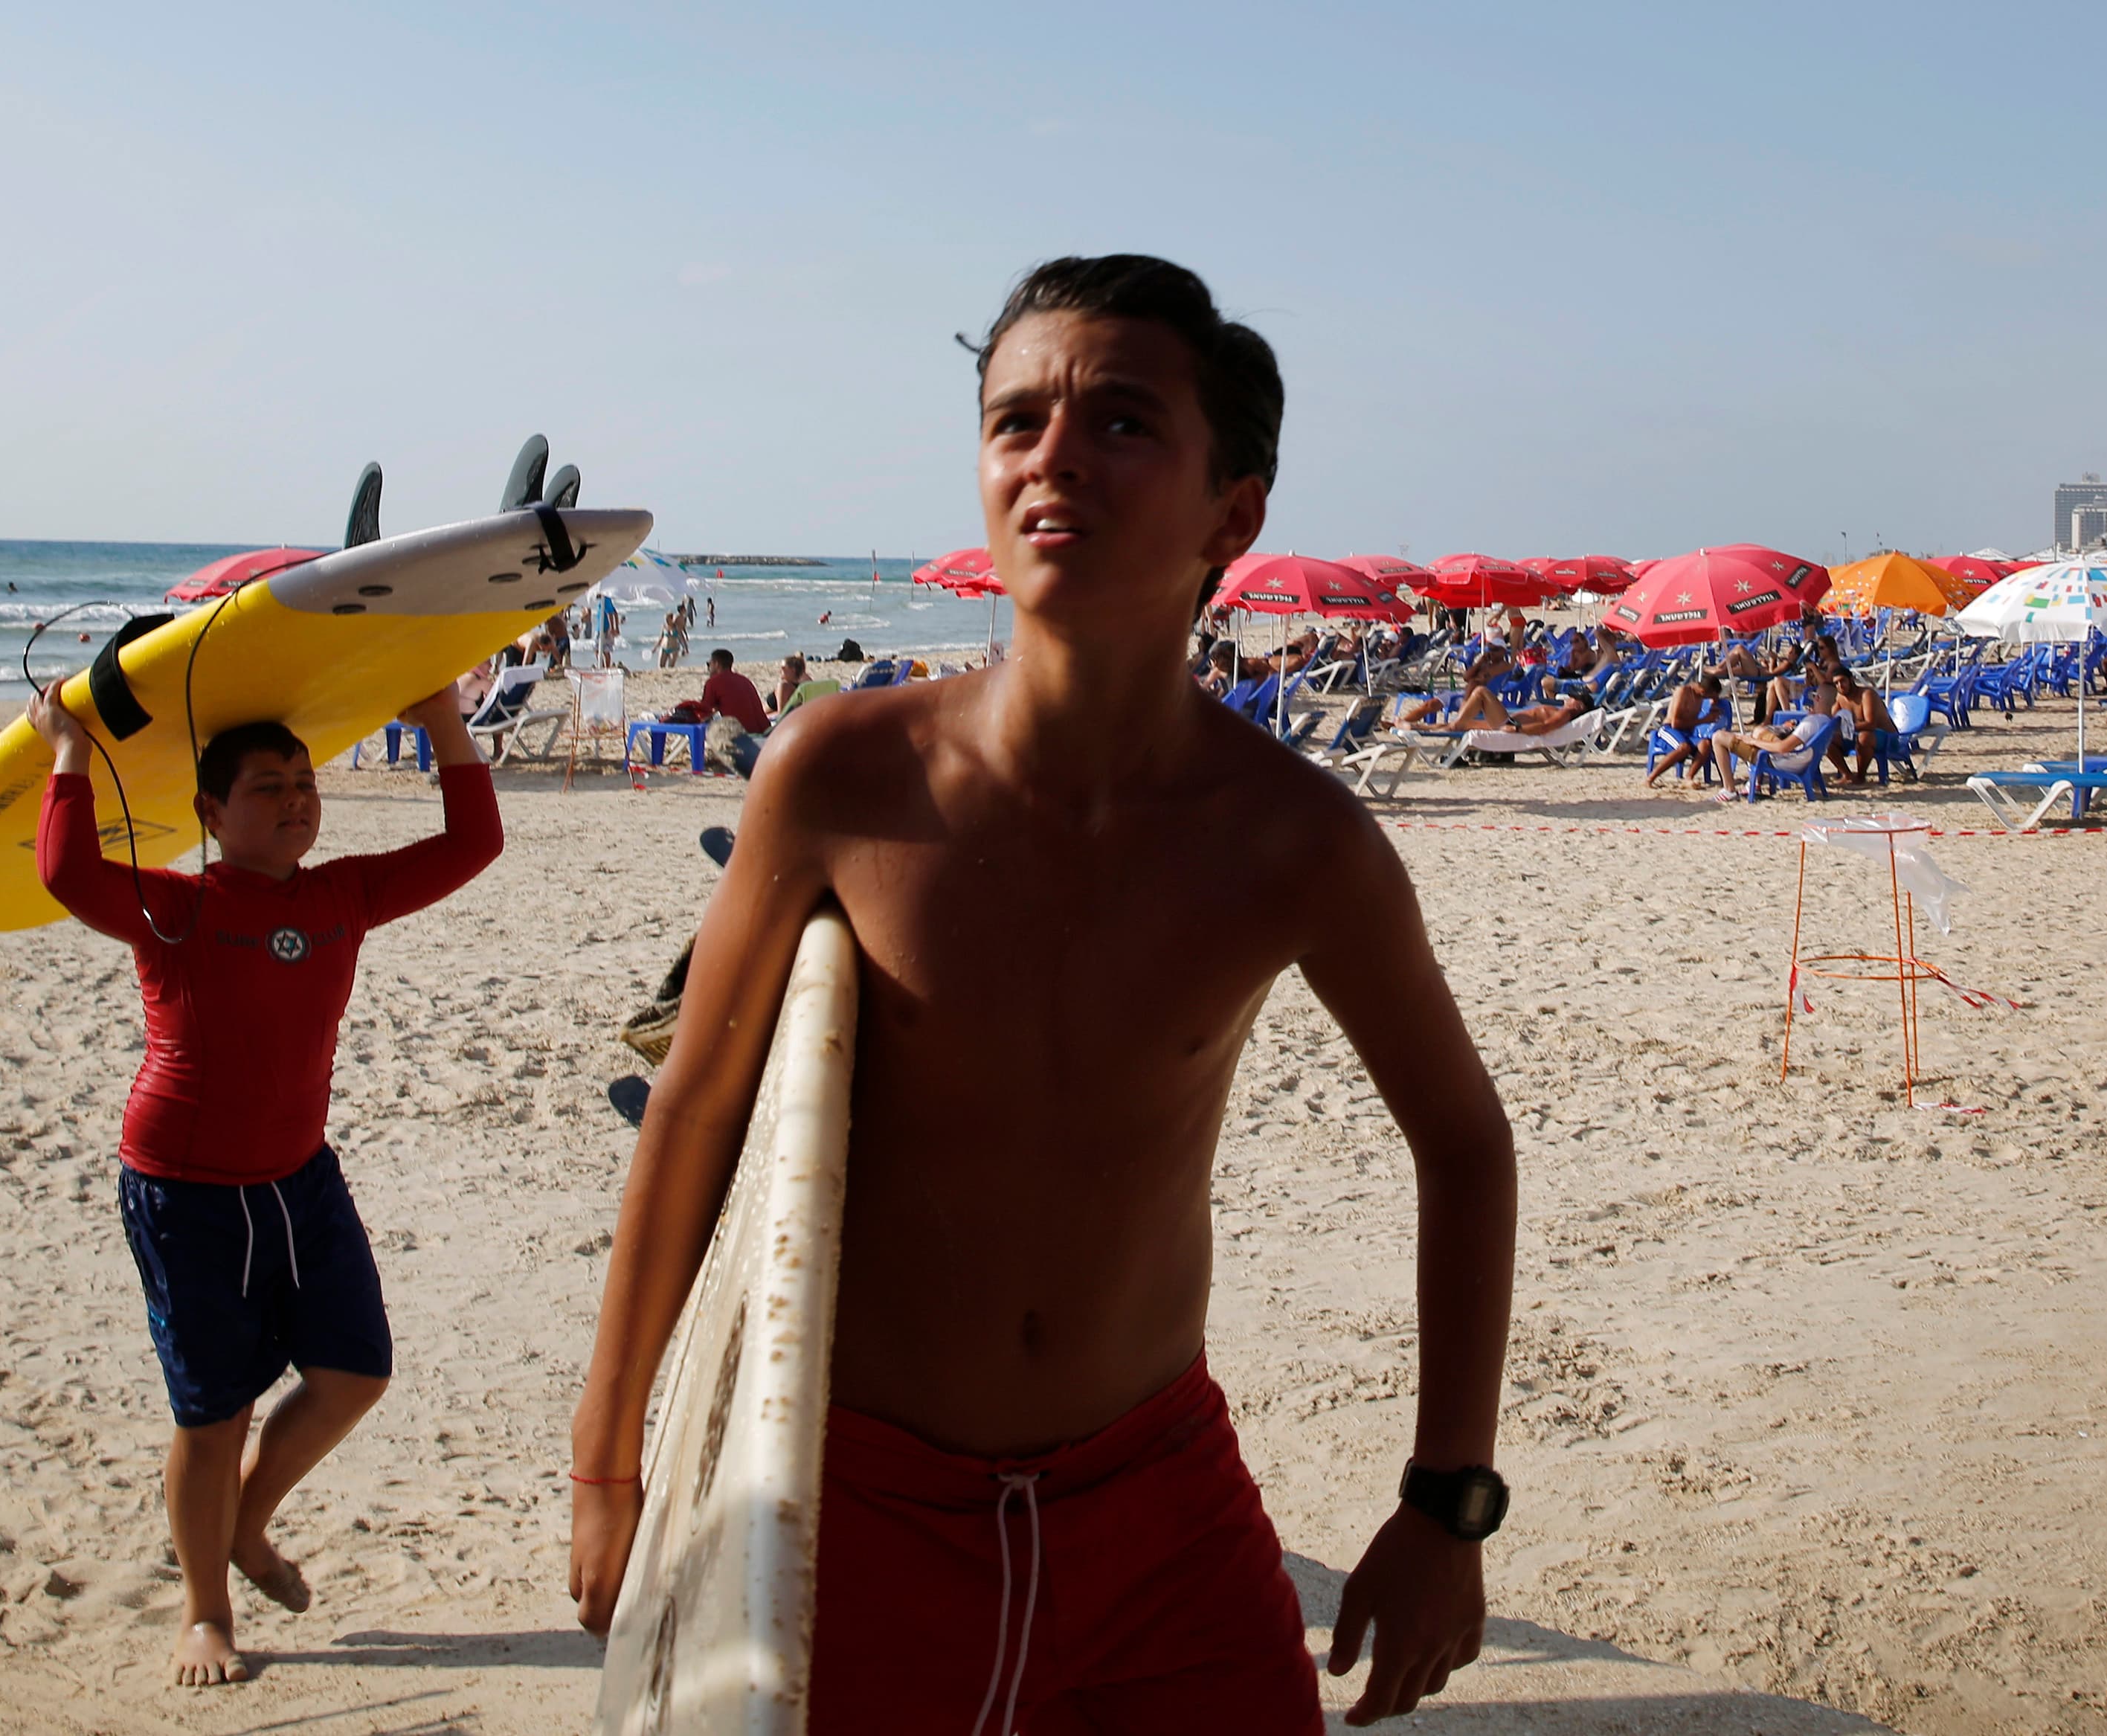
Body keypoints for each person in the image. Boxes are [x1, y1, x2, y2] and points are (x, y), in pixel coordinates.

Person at [567, 254, 1514, 1731]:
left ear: (1233, 512)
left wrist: (1447, 1504)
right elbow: (692, 1109)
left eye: (1123, 422)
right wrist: (607, 1463)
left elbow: (1462, 1143)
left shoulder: (1293, 841)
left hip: (1156, 1507)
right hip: (848, 1501)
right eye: (1017, 422)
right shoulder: (845, 774)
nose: (1054, 455)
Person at [24, 681, 502, 1688]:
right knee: (213, 1411)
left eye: (303, 782)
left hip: (299, 1176)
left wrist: (444, 722)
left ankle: (245, 1522)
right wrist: (68, 750)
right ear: (210, 814)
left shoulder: (340, 894)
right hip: (186, 1190)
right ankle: (205, 1609)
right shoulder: (176, 903)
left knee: (354, 1371)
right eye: (267, 787)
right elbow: (65, 869)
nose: (295, 800)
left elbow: (472, 846)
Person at [1705, 704, 1826, 800]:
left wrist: (1753, 742)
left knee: (1718, 737)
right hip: (1795, 760)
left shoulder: (1810, 723)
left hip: (1778, 760)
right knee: (1758, 731)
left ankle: (1729, 789)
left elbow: (1782, 749)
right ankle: (1755, 782)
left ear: (1819, 699)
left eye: (1814, 698)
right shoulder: (1825, 720)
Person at [1642, 673, 1722, 788]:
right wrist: (1704, 720)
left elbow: (1715, 697)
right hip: (1670, 729)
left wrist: (1715, 706)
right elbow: (1676, 723)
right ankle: (1650, 778)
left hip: (1688, 732)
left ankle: (1689, 778)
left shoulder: (1701, 696)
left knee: (1705, 744)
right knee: (1684, 748)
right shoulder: (1683, 692)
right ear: (1703, 691)